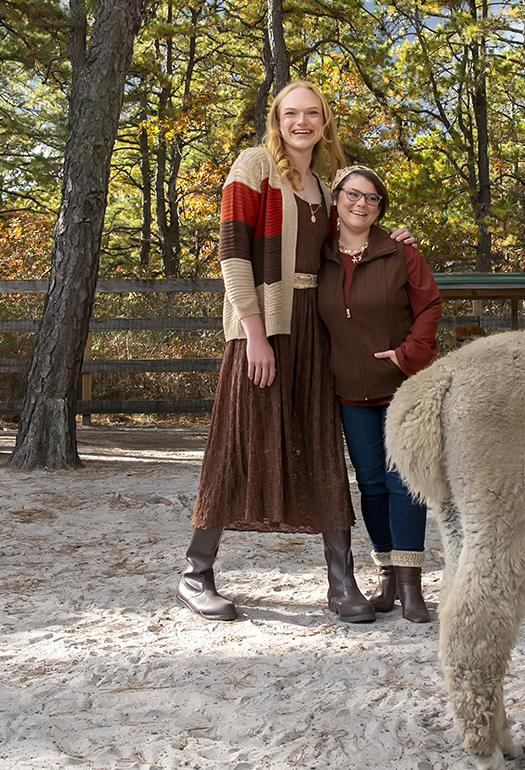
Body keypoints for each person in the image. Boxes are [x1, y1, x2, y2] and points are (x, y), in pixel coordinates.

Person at [176, 81, 411, 624]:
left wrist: (390, 238)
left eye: (312, 114)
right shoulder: (254, 166)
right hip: (265, 327)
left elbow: (346, 247)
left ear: (325, 122)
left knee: (323, 447)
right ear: (277, 119)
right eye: (291, 113)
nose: (301, 122)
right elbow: (233, 254)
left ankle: (340, 581)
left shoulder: (326, 188)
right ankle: (195, 573)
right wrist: (255, 336)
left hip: (316, 330)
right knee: (239, 442)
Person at [317, 165, 443, 623]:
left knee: (403, 483)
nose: (361, 203)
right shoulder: (320, 255)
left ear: (380, 208)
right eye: (353, 194)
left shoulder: (400, 252)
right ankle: (387, 579)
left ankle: (412, 587)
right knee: (370, 484)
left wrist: (408, 354)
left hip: (402, 388)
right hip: (350, 392)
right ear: (336, 199)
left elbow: (429, 305)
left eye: (372, 198)